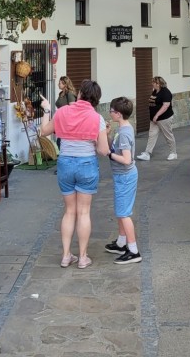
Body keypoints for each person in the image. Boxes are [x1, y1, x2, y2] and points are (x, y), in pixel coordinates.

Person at [39, 79, 110, 269]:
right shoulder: (97, 119)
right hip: (86, 164)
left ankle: (65, 256)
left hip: (65, 164)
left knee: (69, 211)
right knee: (84, 212)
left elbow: (44, 131)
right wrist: (101, 135)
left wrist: (46, 110)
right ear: (96, 100)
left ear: (79, 94)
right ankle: (83, 257)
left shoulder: (62, 112)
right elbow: (103, 150)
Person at [103, 96, 142, 264]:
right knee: (120, 211)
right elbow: (116, 147)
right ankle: (121, 242)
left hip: (125, 176)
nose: (110, 113)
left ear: (118, 114)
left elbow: (126, 159)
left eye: (111, 111)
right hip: (122, 176)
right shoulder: (123, 128)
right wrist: (108, 136)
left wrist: (109, 154)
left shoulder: (125, 133)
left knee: (124, 213)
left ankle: (133, 250)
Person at [136, 76, 177, 162]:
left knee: (168, 135)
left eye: (153, 82)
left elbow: (166, 106)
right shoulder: (155, 91)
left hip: (164, 118)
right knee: (152, 135)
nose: (152, 84)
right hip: (154, 119)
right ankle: (147, 153)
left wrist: (157, 115)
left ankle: (173, 153)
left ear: (158, 84)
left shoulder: (165, 92)